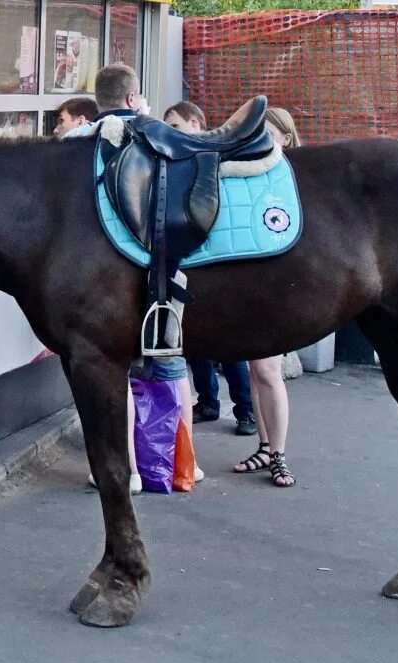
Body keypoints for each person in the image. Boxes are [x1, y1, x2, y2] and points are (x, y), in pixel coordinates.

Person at [67, 65, 202, 487]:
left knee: (116, 372)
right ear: (132, 98)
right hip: (165, 274)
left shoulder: (77, 142)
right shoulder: (159, 136)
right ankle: (184, 464)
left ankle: (125, 470)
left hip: (102, 278)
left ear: (97, 99)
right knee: (172, 366)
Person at [160, 103, 258, 437]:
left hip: (218, 267)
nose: (171, 130)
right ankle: (209, 402)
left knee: (231, 349)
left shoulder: (214, 164)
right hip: (191, 268)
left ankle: (246, 411)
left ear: (195, 122)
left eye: (175, 124)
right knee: (194, 342)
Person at [232, 107, 301, 487]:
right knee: (257, 371)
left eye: (267, 135)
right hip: (251, 287)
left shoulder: (290, 178)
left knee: (269, 373)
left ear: (286, 139)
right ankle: (265, 447)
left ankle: (278, 454)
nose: (259, 141)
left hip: (275, 289)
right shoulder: (251, 174)